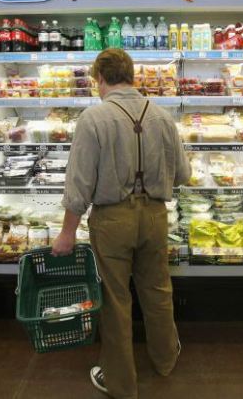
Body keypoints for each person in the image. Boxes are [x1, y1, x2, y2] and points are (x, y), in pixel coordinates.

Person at [51, 48, 190, 398]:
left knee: (115, 301)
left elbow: (79, 184)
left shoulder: (93, 119)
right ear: (132, 76)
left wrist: (67, 233)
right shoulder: (161, 116)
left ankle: (121, 383)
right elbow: (184, 175)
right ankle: (165, 359)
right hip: (156, 216)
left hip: (113, 221)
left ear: (100, 79)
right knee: (158, 291)